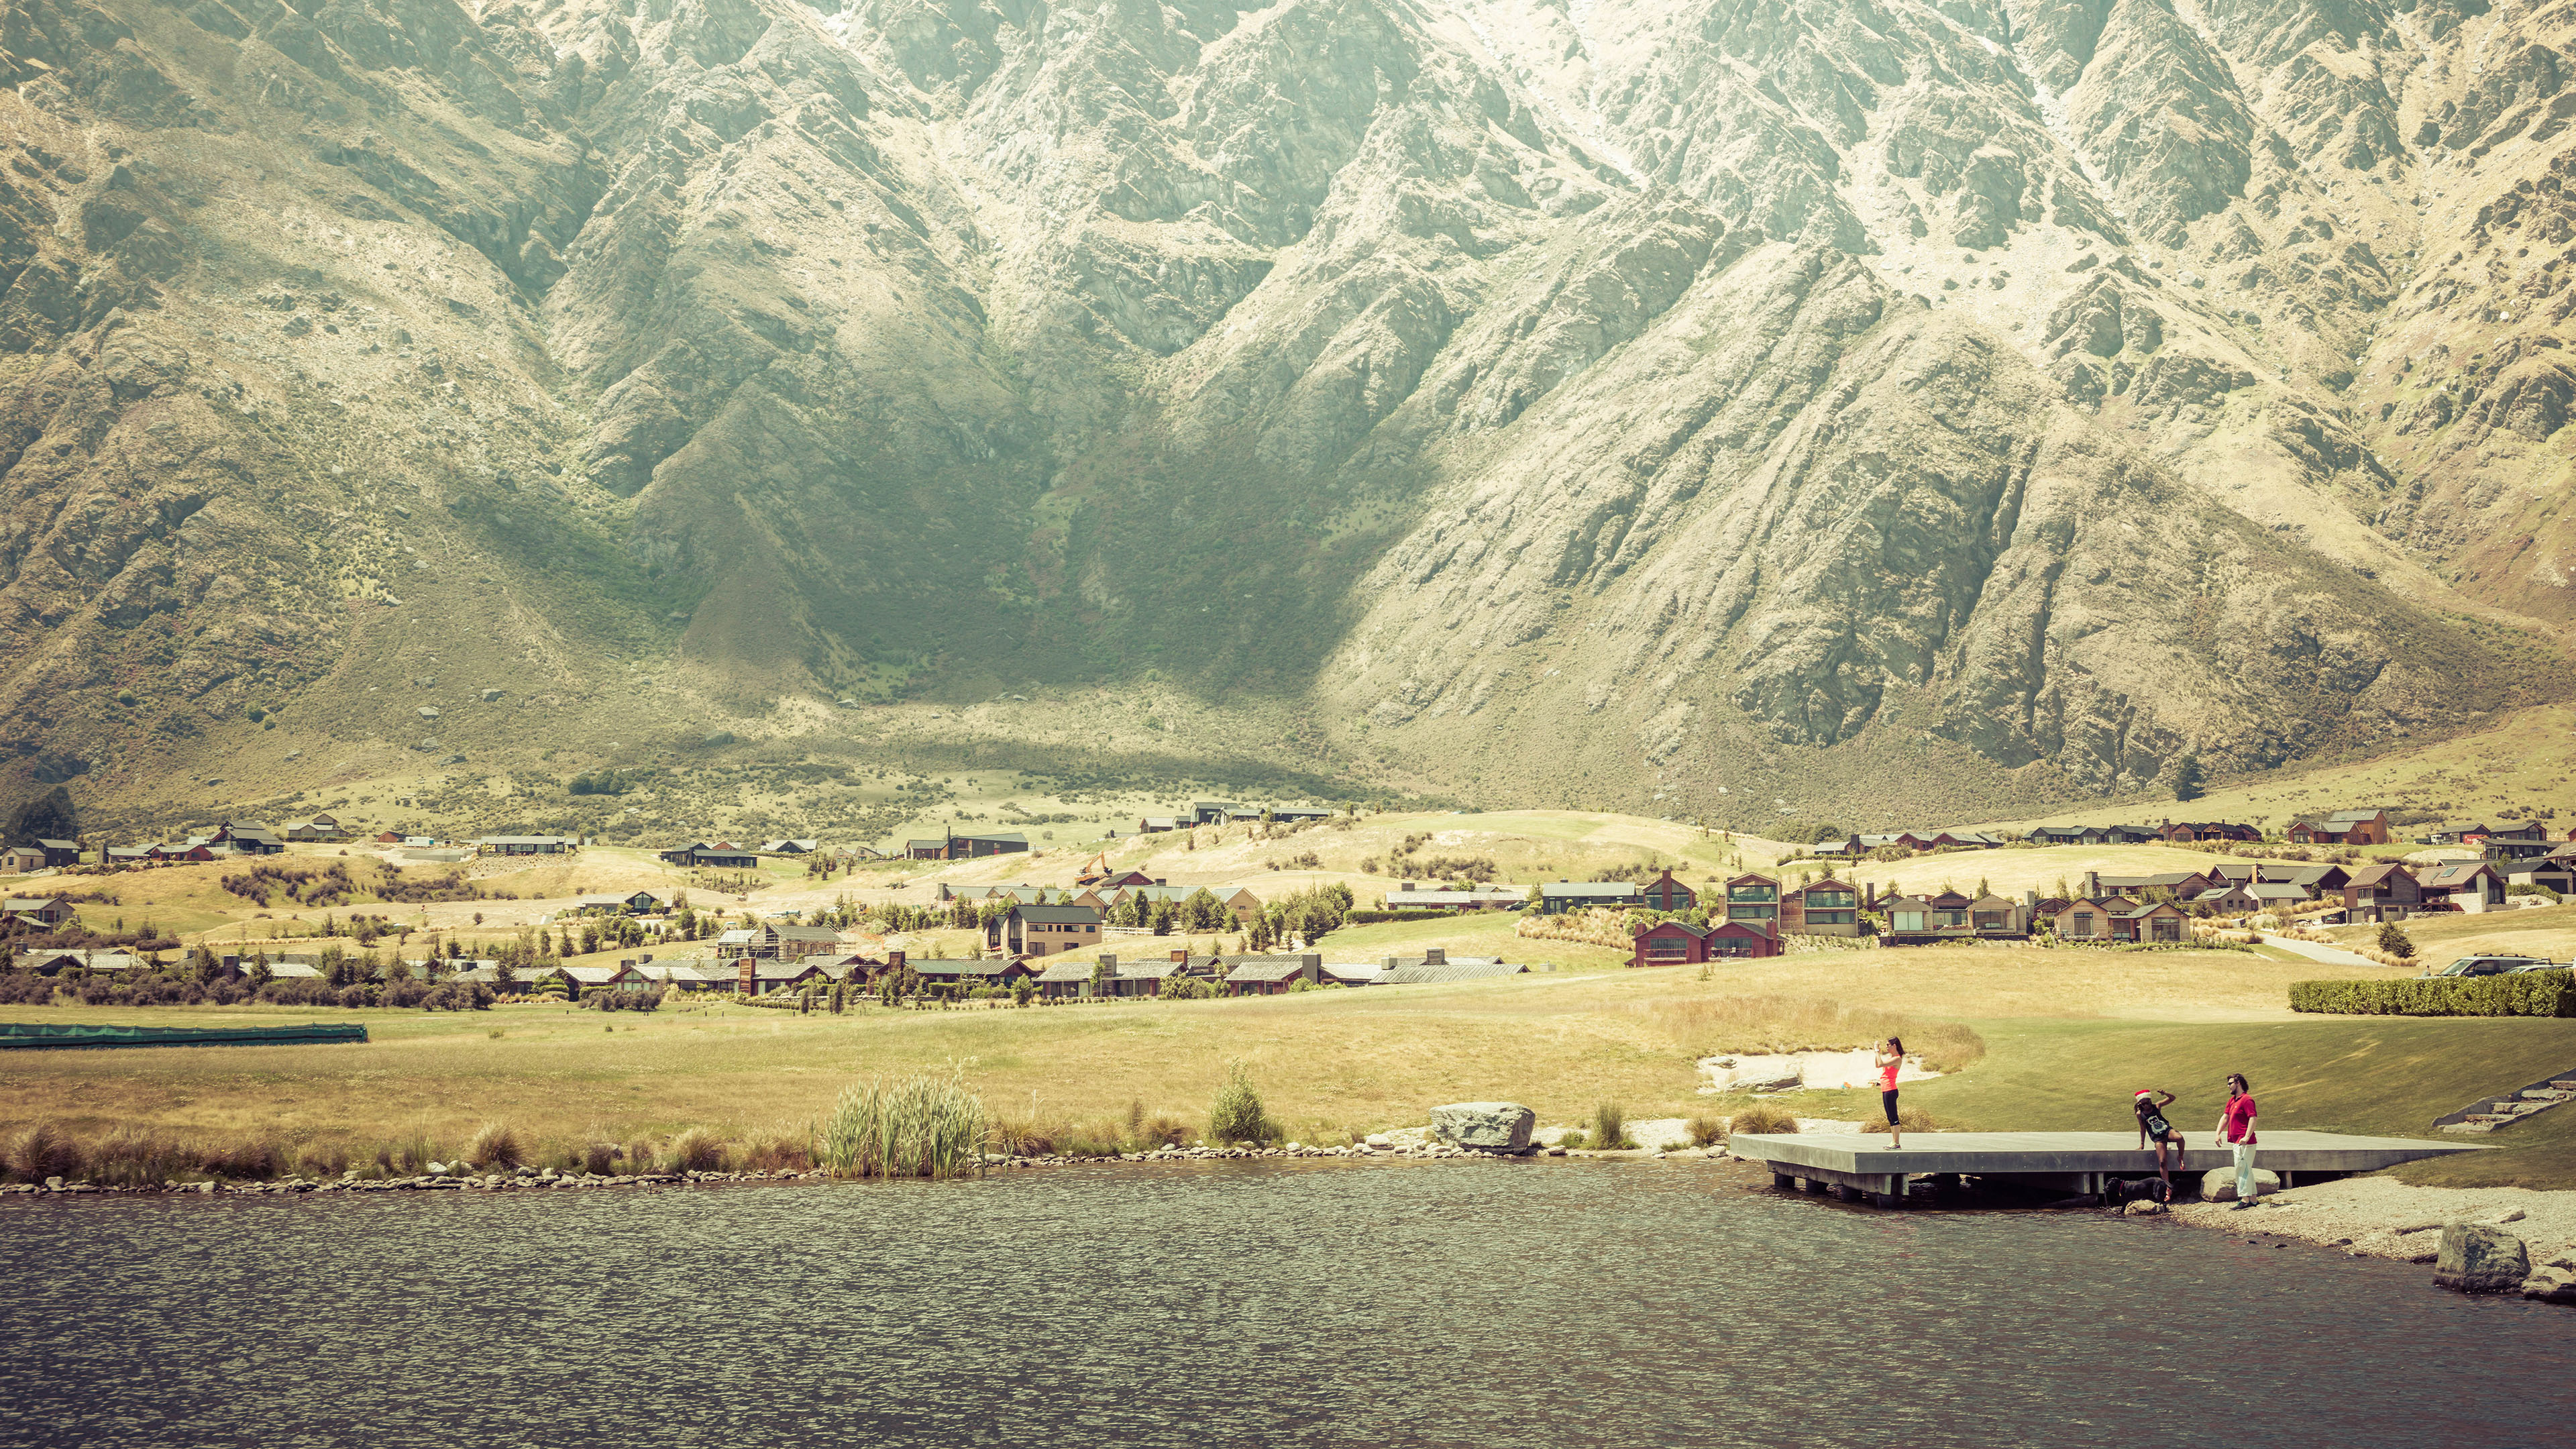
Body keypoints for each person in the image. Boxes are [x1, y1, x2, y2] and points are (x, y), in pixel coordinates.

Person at [2132, 1089, 2184, 1198]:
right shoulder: (2140, 1114)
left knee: (2179, 1138)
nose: (2147, 1106)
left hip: (2167, 1131)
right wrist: (2142, 1144)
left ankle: (2180, 1157)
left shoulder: (2157, 1106)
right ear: (2140, 1103)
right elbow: (2142, 1129)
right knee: (2162, 1162)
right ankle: (2167, 1188)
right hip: (2157, 1138)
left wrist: (2164, 1093)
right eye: (2144, 1104)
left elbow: (2172, 1099)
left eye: (2149, 1102)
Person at [2220, 1073, 2259, 1209]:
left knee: (2241, 1169)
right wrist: (2217, 1133)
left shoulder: (2247, 1099)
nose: (2228, 1086)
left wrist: (2247, 1137)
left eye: (2230, 1083)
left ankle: (2245, 1200)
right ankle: (2253, 1199)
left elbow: (2253, 1118)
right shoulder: (2232, 1100)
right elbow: (2225, 1117)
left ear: (2238, 1083)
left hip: (2245, 1142)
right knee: (2245, 1169)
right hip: (2236, 1141)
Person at [1875, 1036, 1907, 1148]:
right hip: (1886, 1089)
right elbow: (1878, 1064)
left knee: (1894, 1117)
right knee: (1890, 1117)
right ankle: (1894, 1142)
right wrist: (1877, 1053)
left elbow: (1881, 1064)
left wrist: (1876, 1051)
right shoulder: (1891, 1058)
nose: (1886, 1047)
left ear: (1895, 1046)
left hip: (1891, 1089)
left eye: (1888, 1045)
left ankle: (1897, 1143)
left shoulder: (1897, 1059)